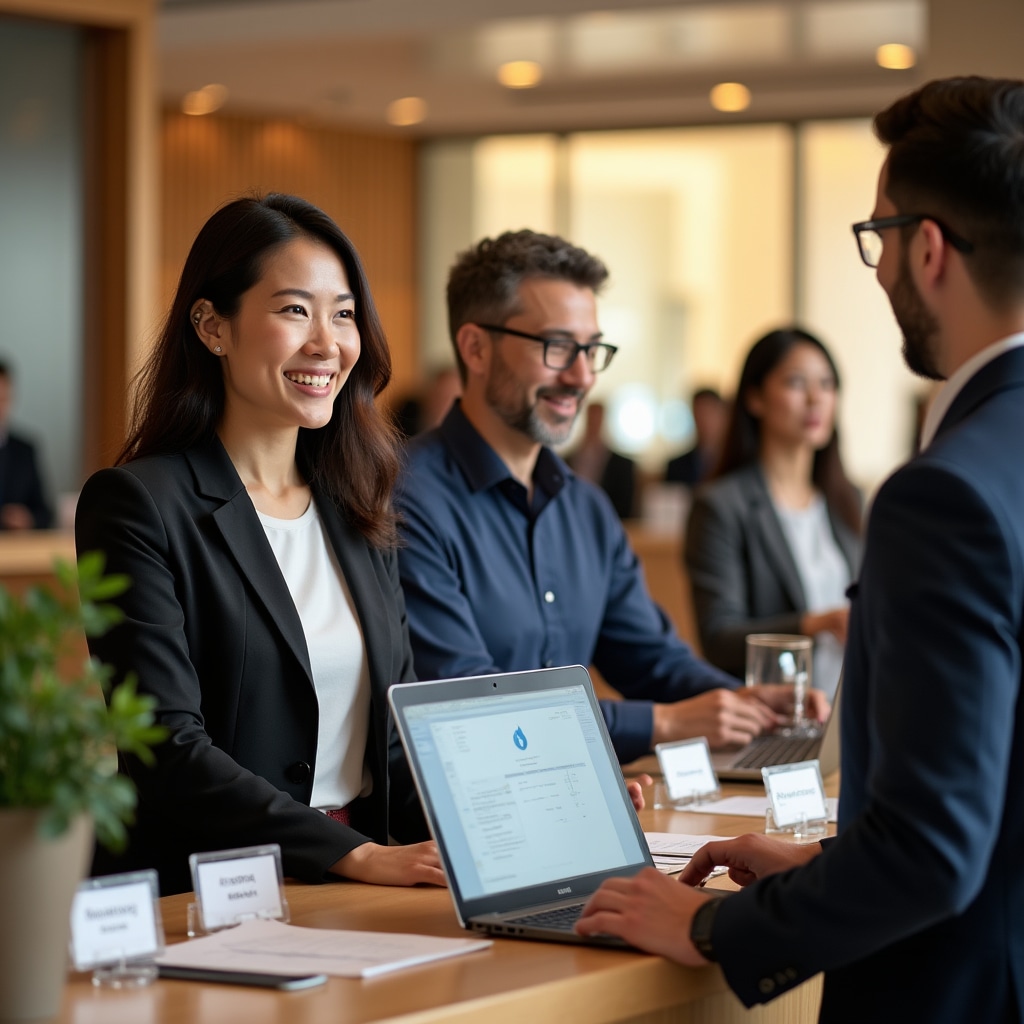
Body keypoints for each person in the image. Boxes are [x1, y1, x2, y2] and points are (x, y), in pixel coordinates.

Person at [577, 75, 1024, 1023]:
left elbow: (934, 852)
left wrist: (711, 925)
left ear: (928, 249)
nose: (880, 268)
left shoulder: (944, 494)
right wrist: (827, 863)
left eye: (879, 237)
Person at [75, 194, 441, 896]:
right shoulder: (138, 504)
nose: (326, 344)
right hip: (209, 891)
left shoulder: (358, 504)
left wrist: (532, 808)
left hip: (362, 879)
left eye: (343, 314)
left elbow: (396, 734)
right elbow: (167, 749)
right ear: (212, 327)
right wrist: (353, 855)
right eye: (295, 310)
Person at [395, 229, 826, 765]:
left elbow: (651, 658)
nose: (582, 377)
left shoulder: (586, 509)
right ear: (475, 348)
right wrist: (664, 722)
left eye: (591, 350)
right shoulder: (406, 497)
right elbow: (469, 702)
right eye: (557, 347)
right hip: (444, 812)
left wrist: (748, 702)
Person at [684, 328, 862, 701]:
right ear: (755, 398)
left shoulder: (848, 501)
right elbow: (718, 638)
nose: (815, 398)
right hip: (775, 717)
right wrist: (816, 624)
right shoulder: (721, 506)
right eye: (796, 383)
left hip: (849, 712)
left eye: (826, 384)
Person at [0, 360, 52, 530]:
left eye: (3, 399)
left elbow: (45, 513)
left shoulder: (25, 450)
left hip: (16, 544)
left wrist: (28, 519)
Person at [565, 400, 637, 519]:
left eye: (598, 418)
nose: (594, 423)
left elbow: (625, 506)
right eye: (591, 418)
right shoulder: (568, 459)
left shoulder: (622, 465)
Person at [664, 387, 727, 487]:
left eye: (709, 413)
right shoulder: (676, 466)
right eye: (699, 413)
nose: (704, 420)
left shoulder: (737, 465)